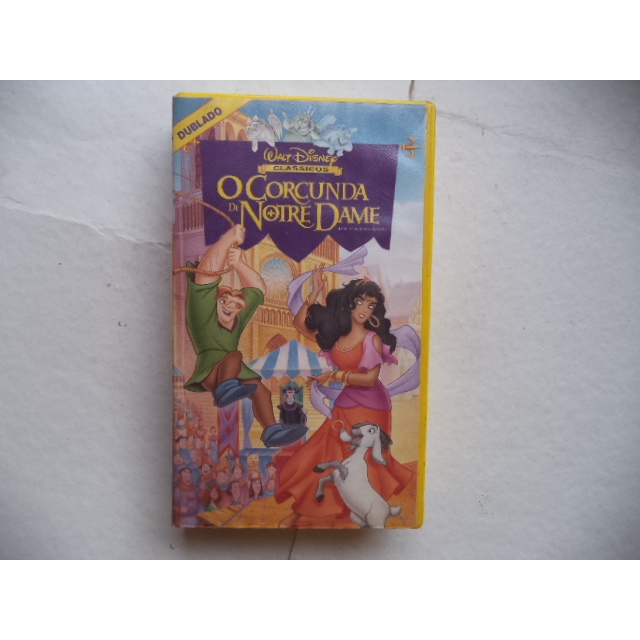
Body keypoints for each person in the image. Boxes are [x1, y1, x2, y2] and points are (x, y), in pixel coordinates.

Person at [275, 266, 413, 525]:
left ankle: (362, 512)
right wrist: (315, 292)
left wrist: (334, 376)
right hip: (346, 403)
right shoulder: (336, 337)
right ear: (349, 303)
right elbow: (299, 324)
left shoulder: (372, 340)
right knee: (324, 454)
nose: (364, 309)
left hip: (373, 407)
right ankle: (303, 510)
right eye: (360, 301)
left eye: (370, 305)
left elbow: (370, 379)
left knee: (363, 460)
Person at [183, 224, 305, 448]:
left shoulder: (236, 319)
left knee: (261, 391)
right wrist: (228, 237)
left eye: (237, 305)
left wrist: (239, 264)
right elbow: (206, 273)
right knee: (234, 356)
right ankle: (225, 389)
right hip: (210, 371)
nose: (230, 305)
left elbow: (258, 289)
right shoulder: (203, 312)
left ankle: (271, 430)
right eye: (224, 301)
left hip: (233, 372)